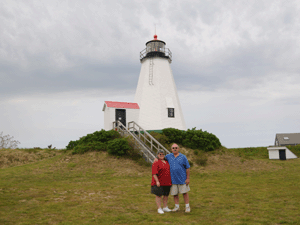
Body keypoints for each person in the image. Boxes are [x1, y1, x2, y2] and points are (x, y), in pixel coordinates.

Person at [154, 143, 191, 213]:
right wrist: (156, 158)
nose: (174, 149)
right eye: (173, 148)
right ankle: (177, 207)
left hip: (182, 179)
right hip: (172, 180)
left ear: (178, 148)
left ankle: (187, 206)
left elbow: (188, 168)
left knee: (185, 193)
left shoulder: (183, 157)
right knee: (175, 194)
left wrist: (188, 178)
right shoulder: (168, 156)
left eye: (176, 148)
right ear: (171, 149)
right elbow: (160, 157)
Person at [151, 150, 172, 214]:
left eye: (163, 154)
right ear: (157, 155)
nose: (161, 155)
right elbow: (154, 173)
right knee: (158, 195)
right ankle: (159, 208)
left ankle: (165, 207)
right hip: (159, 182)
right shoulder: (156, 162)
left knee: (166, 195)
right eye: (160, 154)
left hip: (167, 182)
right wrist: (157, 181)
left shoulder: (167, 162)